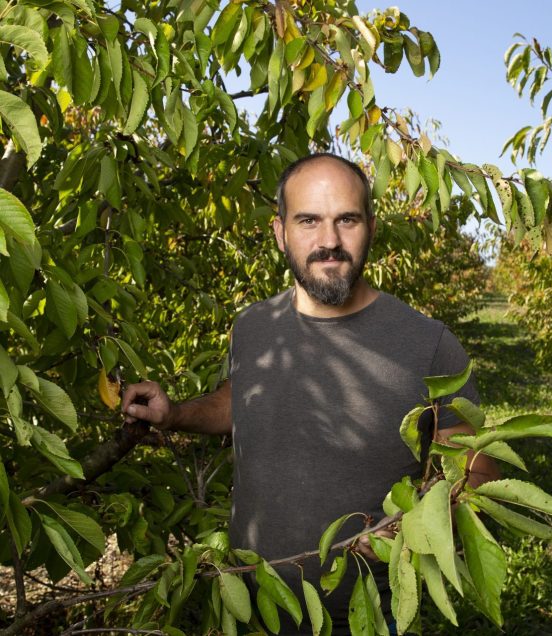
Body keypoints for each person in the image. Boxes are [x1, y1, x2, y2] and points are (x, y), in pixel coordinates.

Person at [122, 153, 499, 634]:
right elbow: (241, 400)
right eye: (308, 221)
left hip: (364, 616)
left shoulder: (429, 346)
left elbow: (477, 475)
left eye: (347, 220)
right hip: (248, 605)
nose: (329, 241)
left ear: (372, 228)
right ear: (280, 232)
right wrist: (174, 413)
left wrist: (417, 523)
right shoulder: (253, 326)